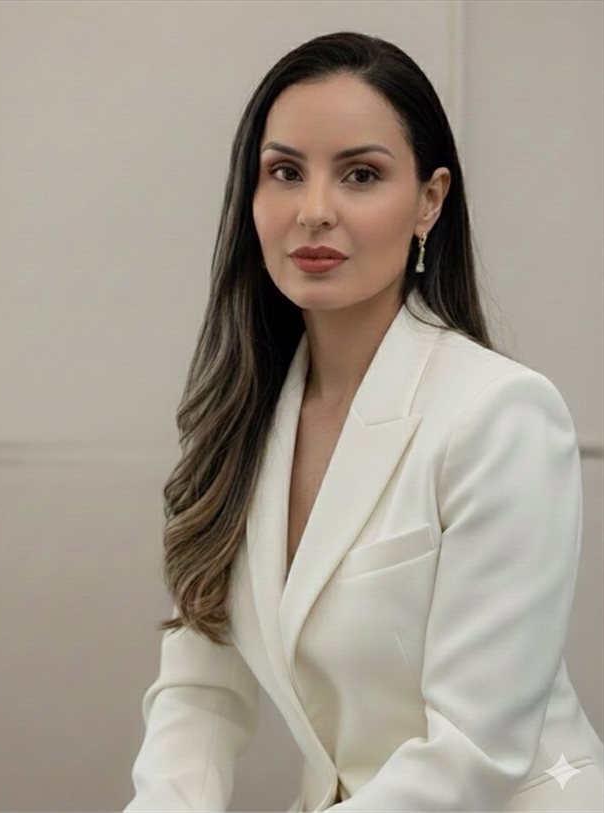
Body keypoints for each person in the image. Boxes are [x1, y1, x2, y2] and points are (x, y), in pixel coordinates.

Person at [123, 31, 604, 812]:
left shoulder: (500, 415)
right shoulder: (238, 424)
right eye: (286, 172)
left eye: (361, 175)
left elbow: (474, 752)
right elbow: (199, 697)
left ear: (430, 200)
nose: (314, 211)